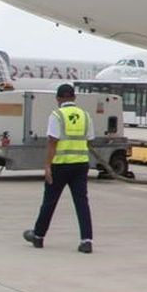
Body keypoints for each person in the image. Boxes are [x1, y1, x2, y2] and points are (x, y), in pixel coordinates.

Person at [22, 84, 95, 253]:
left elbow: (52, 142)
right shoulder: (85, 115)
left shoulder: (57, 115)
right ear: (74, 98)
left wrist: (47, 165)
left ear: (58, 99)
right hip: (81, 165)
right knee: (82, 203)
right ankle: (86, 240)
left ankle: (39, 236)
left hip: (60, 165)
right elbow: (89, 139)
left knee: (49, 201)